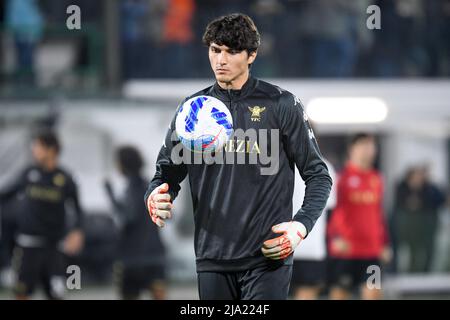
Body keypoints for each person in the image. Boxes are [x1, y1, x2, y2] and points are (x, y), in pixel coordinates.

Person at [144, 13, 332, 300]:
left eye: (232, 52)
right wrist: (155, 194)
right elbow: (166, 173)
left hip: (267, 258)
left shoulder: (281, 104)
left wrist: (301, 224)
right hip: (212, 258)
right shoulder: (193, 110)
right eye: (215, 50)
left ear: (252, 54)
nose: (221, 60)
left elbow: (319, 175)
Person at [0, 130, 84, 299]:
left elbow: (78, 209)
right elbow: (4, 194)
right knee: (21, 293)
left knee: (57, 293)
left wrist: (77, 231)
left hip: (55, 248)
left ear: (51, 150)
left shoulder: (65, 178)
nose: (34, 150)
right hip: (28, 247)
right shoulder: (28, 173)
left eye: (37, 147)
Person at [327, 133, 390, 300]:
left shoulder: (376, 178)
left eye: (371, 146)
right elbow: (329, 212)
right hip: (345, 250)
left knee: (374, 293)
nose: (368, 150)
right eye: (363, 146)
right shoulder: (340, 178)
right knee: (340, 294)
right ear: (352, 149)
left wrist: (384, 242)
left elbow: (379, 213)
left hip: (371, 251)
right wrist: (335, 237)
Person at [104, 145, 167, 300]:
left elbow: (128, 217)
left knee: (130, 294)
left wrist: (110, 194)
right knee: (158, 293)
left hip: (133, 257)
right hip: (154, 253)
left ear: (122, 164)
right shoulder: (150, 185)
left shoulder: (132, 188)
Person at [291, 128, 337, 299]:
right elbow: (330, 211)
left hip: (282, 242)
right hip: (308, 245)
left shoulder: (277, 164)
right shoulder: (325, 166)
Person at [393, 165, 445, 273]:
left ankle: (426, 274)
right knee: (411, 254)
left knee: (428, 252)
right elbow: (403, 203)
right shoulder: (402, 187)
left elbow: (439, 200)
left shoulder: (430, 188)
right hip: (409, 229)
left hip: (426, 228)